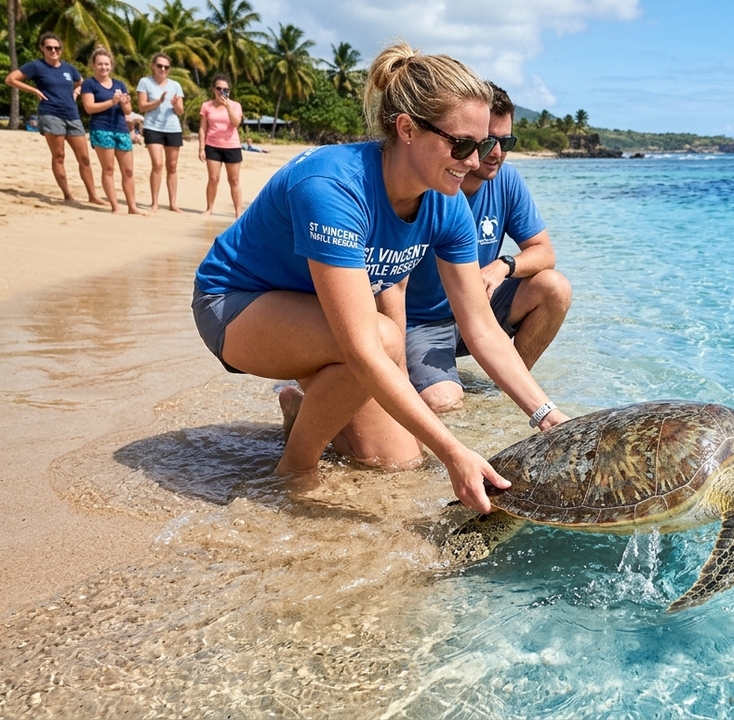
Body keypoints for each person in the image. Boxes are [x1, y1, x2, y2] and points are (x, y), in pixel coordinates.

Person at [191, 42, 568, 513]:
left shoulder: (447, 204)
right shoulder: (334, 187)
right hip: (235, 304)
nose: (475, 163)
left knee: (397, 463)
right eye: (463, 145)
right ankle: (294, 467)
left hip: (318, 321)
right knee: (384, 340)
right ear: (407, 129)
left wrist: (549, 417)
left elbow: (482, 328)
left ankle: (301, 409)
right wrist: (454, 451)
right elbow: (362, 348)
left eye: (485, 146)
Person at [402, 82, 572, 413]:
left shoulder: (507, 181)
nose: (497, 153)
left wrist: (504, 265)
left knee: (555, 287)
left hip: (479, 310)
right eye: (487, 142)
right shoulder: (432, 186)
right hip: (422, 323)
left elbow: (544, 252)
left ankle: (507, 393)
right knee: (445, 402)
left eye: (505, 141)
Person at [4, 33, 104, 205]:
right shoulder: (36, 66)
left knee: (84, 158)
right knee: (59, 156)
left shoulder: (69, 69)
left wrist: (76, 92)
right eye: (49, 47)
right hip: (50, 114)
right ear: (42, 48)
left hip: (72, 115)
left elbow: (83, 83)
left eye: (56, 48)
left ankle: (93, 195)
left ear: (61, 50)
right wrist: (34, 91)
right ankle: (67, 194)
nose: (53, 50)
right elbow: (10, 79)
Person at [80, 47, 141, 215]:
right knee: (108, 169)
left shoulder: (120, 84)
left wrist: (124, 102)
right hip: (101, 129)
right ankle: (115, 206)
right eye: (100, 64)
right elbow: (89, 108)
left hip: (121, 129)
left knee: (128, 171)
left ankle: (132, 207)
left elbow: (128, 111)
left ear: (111, 66)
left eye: (106, 64)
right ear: (93, 65)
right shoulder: (89, 84)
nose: (103, 67)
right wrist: (112, 101)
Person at [136, 52, 184, 212]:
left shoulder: (175, 85)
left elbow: (180, 111)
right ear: (153, 66)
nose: (163, 69)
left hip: (172, 127)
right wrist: (158, 102)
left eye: (166, 67)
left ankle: (173, 203)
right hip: (152, 127)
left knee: (172, 166)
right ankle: (154, 202)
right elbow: (142, 107)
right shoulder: (145, 82)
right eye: (159, 66)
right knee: (157, 164)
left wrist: (176, 104)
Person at [198, 75, 244, 217]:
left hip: (232, 145)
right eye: (219, 88)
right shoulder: (207, 106)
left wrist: (228, 106)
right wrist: (201, 147)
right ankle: (209, 208)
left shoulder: (235, 105)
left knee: (234, 180)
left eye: (225, 89)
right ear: (213, 89)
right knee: (213, 178)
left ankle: (238, 212)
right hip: (212, 145)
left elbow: (236, 123)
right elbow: (202, 128)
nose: (221, 91)